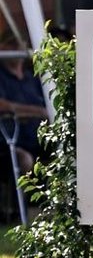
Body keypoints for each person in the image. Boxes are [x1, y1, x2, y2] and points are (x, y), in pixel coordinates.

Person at [0, 44, 48, 178]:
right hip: (10, 142)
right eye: (11, 44)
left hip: (38, 140)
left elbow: (49, 104)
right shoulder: (2, 76)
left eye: (18, 45)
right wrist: (38, 112)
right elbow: (2, 106)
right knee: (24, 160)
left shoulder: (32, 78)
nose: (16, 49)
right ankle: (20, 199)